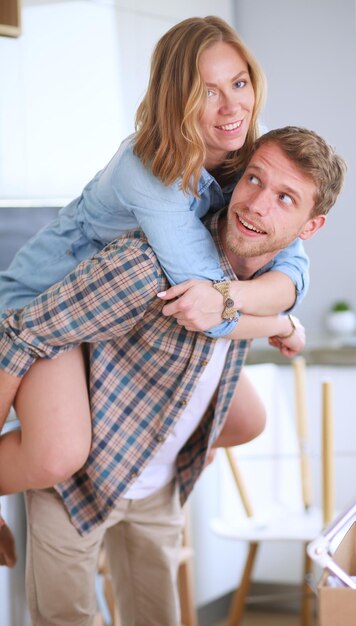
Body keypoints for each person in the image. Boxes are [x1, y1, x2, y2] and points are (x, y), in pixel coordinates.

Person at [0, 127, 346, 625]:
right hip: (79, 485)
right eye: (253, 179)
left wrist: (281, 320)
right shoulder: (144, 265)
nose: (256, 205)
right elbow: (22, 334)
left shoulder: (269, 278)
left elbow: (229, 317)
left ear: (309, 227)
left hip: (159, 484)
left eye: (284, 197)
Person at [0, 15, 309, 497]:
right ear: (177, 99)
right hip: (51, 301)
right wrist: (280, 324)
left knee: (246, 419)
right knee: (56, 454)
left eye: (239, 82)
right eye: (207, 91)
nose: (232, 106)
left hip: (128, 309)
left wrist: (274, 305)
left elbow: (290, 261)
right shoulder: (148, 171)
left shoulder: (246, 139)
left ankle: (137, 481)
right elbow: (209, 309)